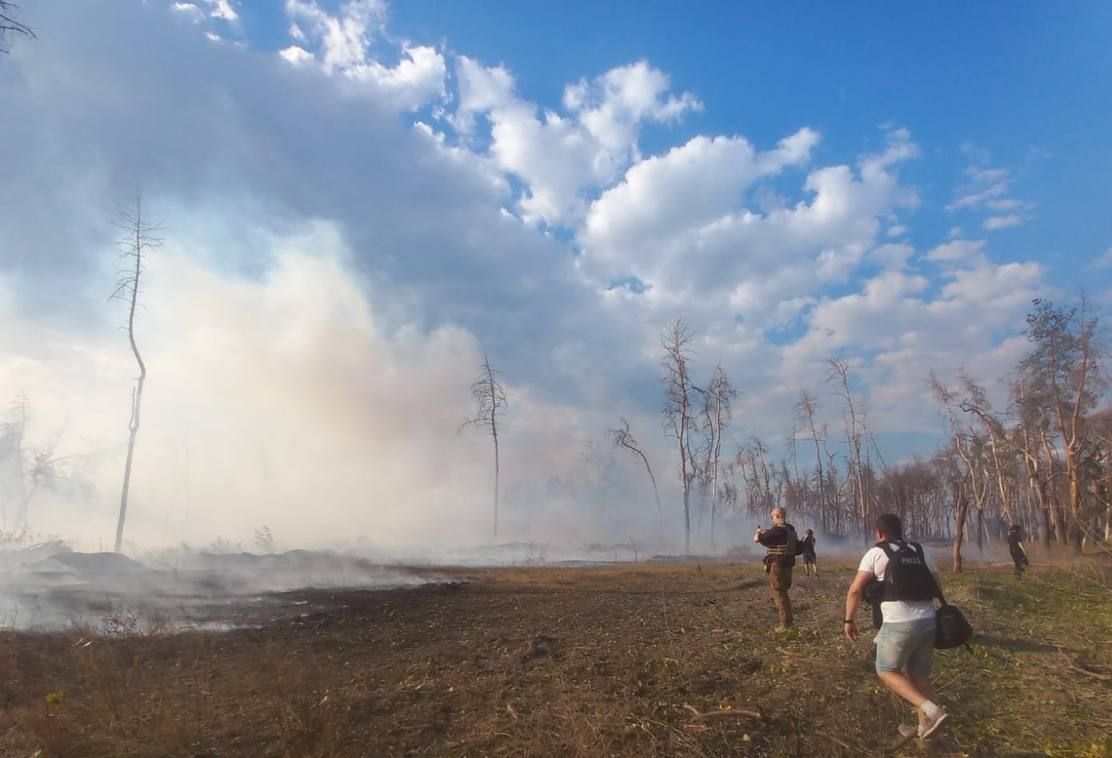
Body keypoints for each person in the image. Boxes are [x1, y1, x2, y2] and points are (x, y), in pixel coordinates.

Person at [844, 513, 948, 740]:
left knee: (886, 670)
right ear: (900, 531)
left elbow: (855, 590)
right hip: (929, 620)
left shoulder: (876, 552)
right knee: (919, 675)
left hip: (898, 623)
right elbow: (937, 585)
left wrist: (849, 620)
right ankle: (926, 728)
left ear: (880, 533)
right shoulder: (920, 551)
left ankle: (931, 710)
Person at [754, 506, 798, 631]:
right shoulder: (790, 530)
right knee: (783, 593)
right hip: (788, 566)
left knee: (779, 594)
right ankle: (788, 622)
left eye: (773, 517)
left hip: (778, 566)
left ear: (778, 516)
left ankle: (785, 625)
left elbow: (757, 539)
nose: (772, 519)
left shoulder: (778, 531)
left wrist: (758, 532)